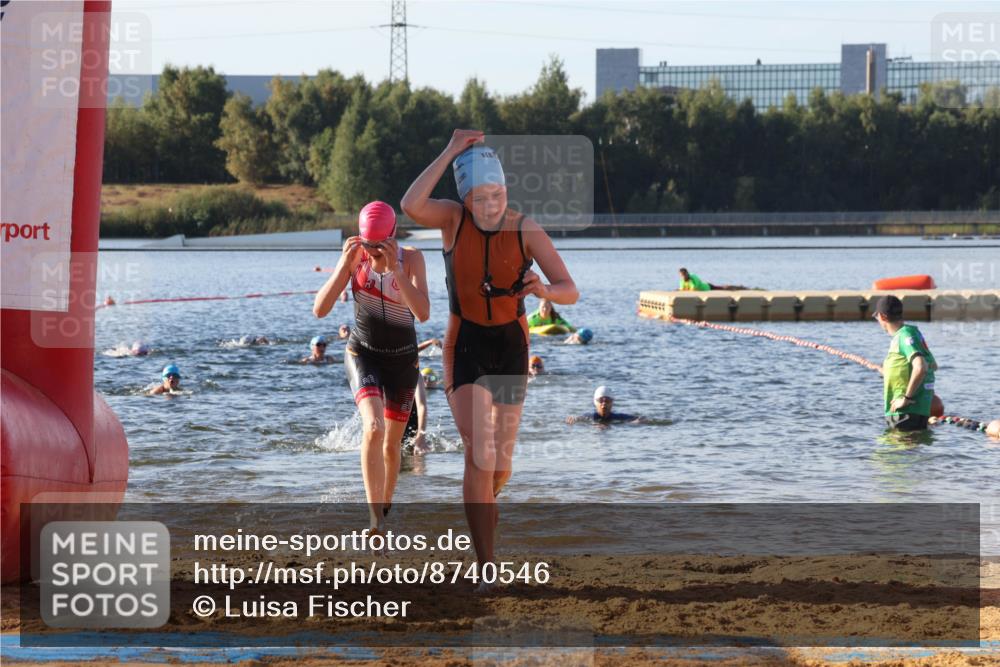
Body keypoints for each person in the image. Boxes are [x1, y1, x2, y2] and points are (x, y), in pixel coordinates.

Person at [401, 129, 578, 584]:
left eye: (497, 195)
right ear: (466, 198)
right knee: (479, 455)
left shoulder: (525, 229)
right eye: (480, 198)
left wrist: (543, 288)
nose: (491, 205)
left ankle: (483, 513)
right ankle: (487, 568)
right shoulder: (451, 221)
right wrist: (449, 150)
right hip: (465, 346)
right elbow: (410, 204)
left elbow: (570, 290)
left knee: (500, 466)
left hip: (511, 347)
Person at [313, 201, 430, 535]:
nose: (374, 253)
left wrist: (395, 271)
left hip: (402, 361)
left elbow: (422, 313)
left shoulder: (413, 259)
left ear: (393, 237)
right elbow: (320, 310)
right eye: (369, 245)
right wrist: (342, 266)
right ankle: (374, 519)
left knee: (392, 446)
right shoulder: (355, 258)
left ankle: (385, 510)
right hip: (363, 354)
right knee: (374, 428)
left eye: (380, 246)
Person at [874, 295, 937, 432]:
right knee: (913, 451)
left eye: (876, 317)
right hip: (919, 410)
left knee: (892, 452)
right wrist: (889, 371)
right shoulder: (913, 333)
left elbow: (921, 366)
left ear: (883, 317)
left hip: (904, 412)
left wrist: (906, 398)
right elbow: (933, 365)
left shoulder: (904, 336)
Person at [566, 386, 644, 424]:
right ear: (595, 402)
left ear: (612, 402)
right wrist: (573, 419)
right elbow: (576, 419)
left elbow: (640, 419)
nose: (604, 404)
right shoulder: (589, 417)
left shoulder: (619, 417)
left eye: (607, 400)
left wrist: (637, 422)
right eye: (601, 401)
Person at [678, 267, 748, 291]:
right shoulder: (682, 281)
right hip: (704, 287)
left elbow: (694, 289)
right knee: (723, 287)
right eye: (682, 275)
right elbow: (682, 289)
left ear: (687, 273)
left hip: (708, 287)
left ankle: (740, 287)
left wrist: (683, 289)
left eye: (684, 275)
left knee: (724, 288)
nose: (683, 277)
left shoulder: (693, 277)